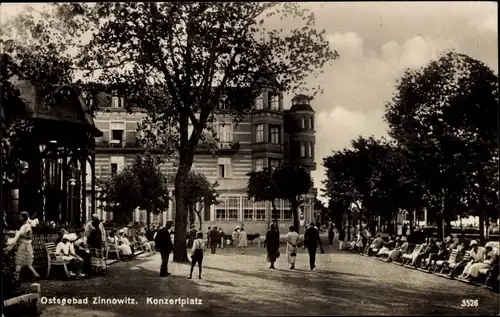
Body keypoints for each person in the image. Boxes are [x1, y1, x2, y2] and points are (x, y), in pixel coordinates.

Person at [4, 211, 40, 279]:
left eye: (20, 217)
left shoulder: (24, 227)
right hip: (28, 246)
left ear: (23, 218)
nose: (19, 218)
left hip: (23, 246)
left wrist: (10, 243)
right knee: (27, 263)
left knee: (19, 262)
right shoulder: (27, 225)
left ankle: (16, 277)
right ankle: (35, 274)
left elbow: (19, 237)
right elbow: (28, 235)